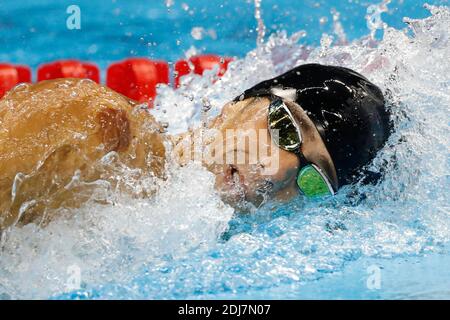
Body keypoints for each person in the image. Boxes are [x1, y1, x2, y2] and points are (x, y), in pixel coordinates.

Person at [0, 63, 391, 230]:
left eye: (311, 181)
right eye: (285, 130)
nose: (277, 172)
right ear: (241, 103)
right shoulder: (94, 128)